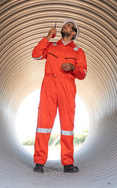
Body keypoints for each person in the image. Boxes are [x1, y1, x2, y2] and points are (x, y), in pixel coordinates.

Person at [31, 18, 87, 173]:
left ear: (73, 33)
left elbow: (83, 74)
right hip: (49, 86)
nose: (65, 26)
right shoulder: (51, 46)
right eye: (65, 25)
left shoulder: (78, 52)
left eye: (69, 26)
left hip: (66, 88)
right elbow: (35, 55)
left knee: (67, 127)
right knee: (43, 124)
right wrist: (48, 36)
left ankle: (68, 163)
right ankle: (39, 162)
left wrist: (73, 67)